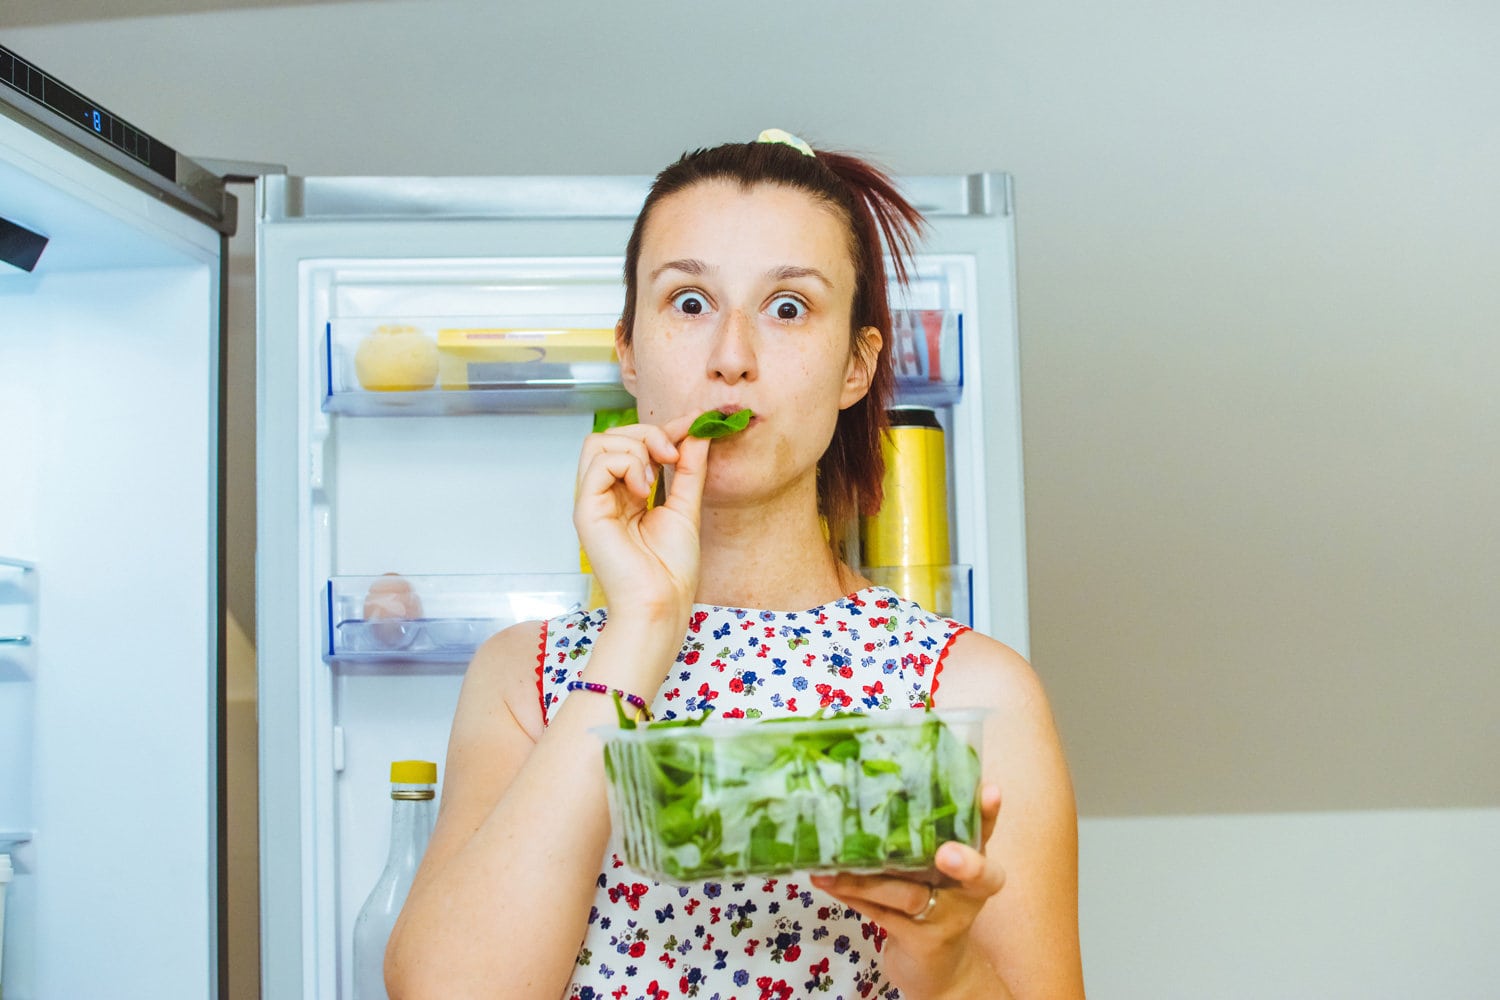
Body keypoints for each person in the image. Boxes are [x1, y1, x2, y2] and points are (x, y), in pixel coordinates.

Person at [387, 130, 1084, 1000]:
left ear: (855, 367)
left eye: (788, 308)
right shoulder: (522, 680)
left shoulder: (972, 694)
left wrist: (948, 967)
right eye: (688, 302)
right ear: (628, 350)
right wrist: (640, 625)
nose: (731, 355)